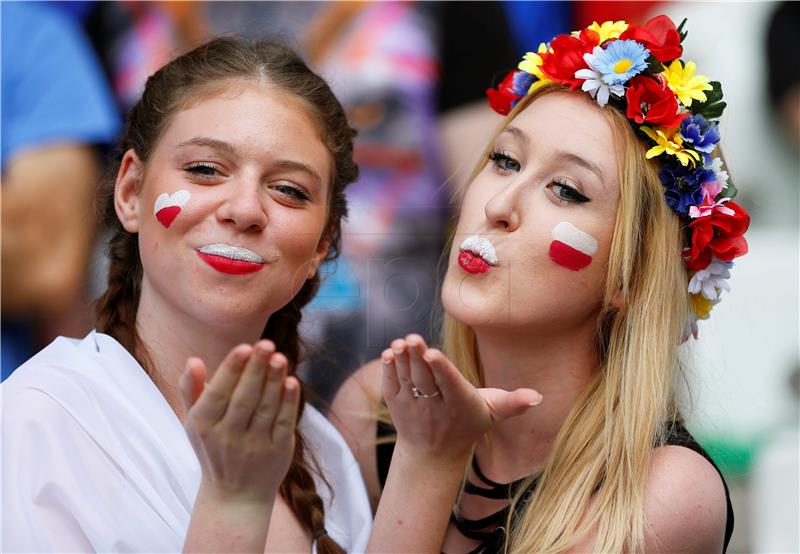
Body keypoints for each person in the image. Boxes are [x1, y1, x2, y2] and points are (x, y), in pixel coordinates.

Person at [332, 15, 748, 553]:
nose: (499, 206)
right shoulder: (377, 410)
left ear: (628, 278)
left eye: (566, 191)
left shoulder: (660, 496)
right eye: (504, 160)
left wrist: (426, 465)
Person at [1, 36, 371, 553]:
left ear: (322, 245)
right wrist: (234, 503)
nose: (245, 209)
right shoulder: (38, 420)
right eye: (204, 169)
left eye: (289, 189)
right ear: (130, 192)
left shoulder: (324, 450)